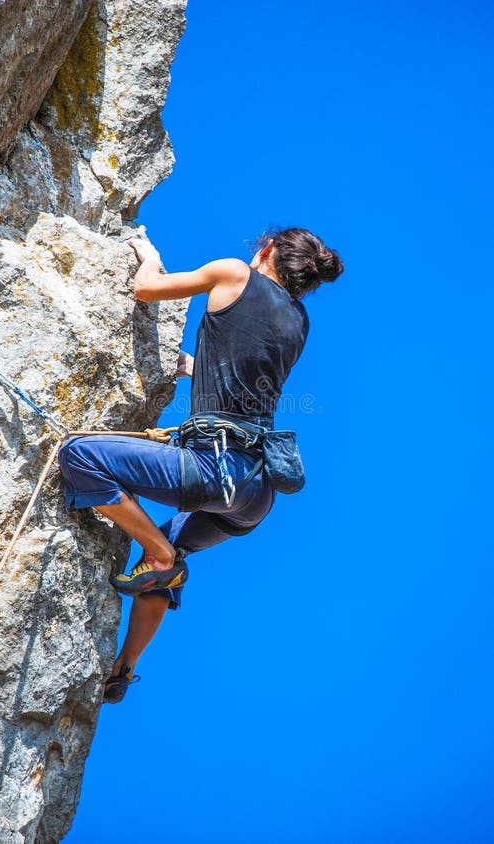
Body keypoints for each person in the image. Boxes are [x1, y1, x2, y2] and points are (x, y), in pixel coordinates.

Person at [57, 228, 344, 703]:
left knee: (79, 454)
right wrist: (194, 366)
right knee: (172, 545)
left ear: (266, 250)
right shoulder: (299, 320)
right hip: (256, 490)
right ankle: (123, 669)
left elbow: (146, 289)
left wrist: (148, 256)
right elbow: (248, 368)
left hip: (214, 467)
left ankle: (160, 556)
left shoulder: (233, 271)